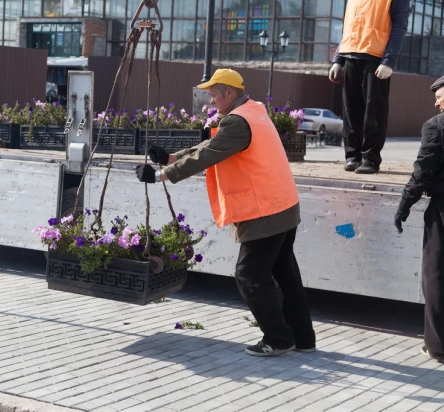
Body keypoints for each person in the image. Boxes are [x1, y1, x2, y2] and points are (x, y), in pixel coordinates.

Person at [135, 69, 316, 357]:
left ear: (229, 92)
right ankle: (303, 338)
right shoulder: (253, 111)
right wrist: (171, 157)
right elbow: (212, 144)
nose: (211, 101)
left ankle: (279, 339)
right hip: (284, 205)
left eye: (214, 94)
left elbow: (210, 153)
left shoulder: (238, 120)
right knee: (285, 273)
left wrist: (160, 176)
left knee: (249, 275)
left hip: (265, 210)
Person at [395, 75, 444, 363]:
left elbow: (423, 171)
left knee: (436, 277)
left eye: (440, 94)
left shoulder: (436, 126)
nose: (436, 100)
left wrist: (405, 205)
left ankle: (437, 346)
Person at [329, 0, 411, 174]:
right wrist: (338, 59)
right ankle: (353, 156)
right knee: (350, 110)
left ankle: (370, 159)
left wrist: (389, 61)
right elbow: (349, 26)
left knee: (374, 111)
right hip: (350, 55)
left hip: (376, 57)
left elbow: (400, 27)